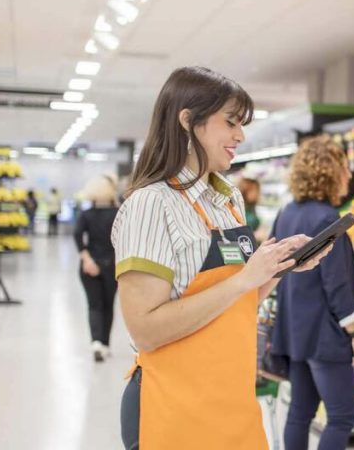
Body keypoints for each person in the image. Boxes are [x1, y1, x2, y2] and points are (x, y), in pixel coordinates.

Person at [113, 66, 330, 450]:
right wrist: (244, 279)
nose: (240, 135)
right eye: (230, 122)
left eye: (241, 124)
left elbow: (237, 304)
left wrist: (278, 268)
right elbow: (145, 330)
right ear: (188, 121)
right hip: (174, 407)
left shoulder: (227, 199)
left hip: (232, 402)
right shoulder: (151, 205)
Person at [271, 136, 354, 450]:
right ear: (329, 172)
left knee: (300, 412)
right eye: (344, 168)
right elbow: (337, 284)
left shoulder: (286, 213)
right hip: (325, 334)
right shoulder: (327, 219)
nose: (349, 175)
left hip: (294, 331)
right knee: (342, 416)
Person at [73, 174, 120, 362]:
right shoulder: (118, 213)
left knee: (94, 305)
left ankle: (96, 342)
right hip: (112, 265)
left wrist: (87, 260)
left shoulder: (86, 214)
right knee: (108, 305)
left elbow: (78, 236)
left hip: (89, 265)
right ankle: (105, 344)